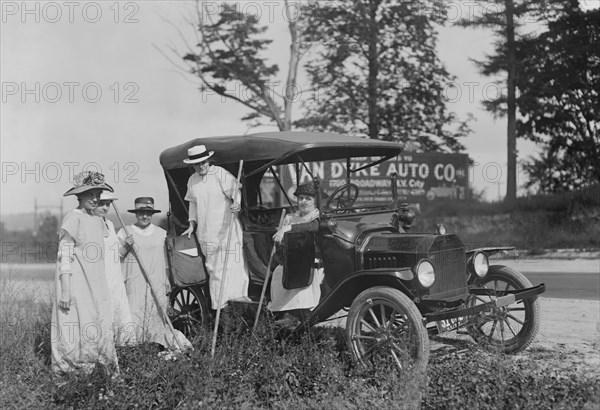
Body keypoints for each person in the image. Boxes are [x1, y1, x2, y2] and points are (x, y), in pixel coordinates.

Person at [51, 171, 118, 375]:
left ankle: (101, 370)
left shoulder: (97, 219)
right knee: (75, 323)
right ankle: (72, 373)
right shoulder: (73, 218)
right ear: (78, 196)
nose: (95, 198)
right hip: (76, 283)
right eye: (89, 194)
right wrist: (65, 290)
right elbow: (65, 255)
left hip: (96, 282)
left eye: (97, 193)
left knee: (99, 321)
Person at [182, 145, 250, 310]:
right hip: (206, 233)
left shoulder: (220, 173)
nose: (201, 166)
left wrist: (236, 204)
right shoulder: (192, 180)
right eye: (197, 164)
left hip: (227, 231)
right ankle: (220, 308)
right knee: (214, 270)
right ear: (192, 165)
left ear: (208, 160)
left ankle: (237, 304)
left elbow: (235, 192)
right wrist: (192, 224)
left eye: (203, 162)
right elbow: (193, 203)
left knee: (232, 269)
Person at [117, 197, 191, 350]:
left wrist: (167, 280)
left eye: (148, 213)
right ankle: (134, 349)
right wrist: (125, 246)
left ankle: (156, 346)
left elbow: (166, 260)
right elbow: (116, 257)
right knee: (134, 314)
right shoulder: (125, 232)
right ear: (136, 214)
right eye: (141, 213)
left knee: (156, 314)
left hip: (157, 280)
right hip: (134, 281)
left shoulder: (161, 233)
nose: (145, 216)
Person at [269, 182, 324, 322]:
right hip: (292, 261)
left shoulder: (317, 218)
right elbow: (280, 244)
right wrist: (281, 235)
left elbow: (311, 227)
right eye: (300, 198)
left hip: (312, 263)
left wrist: (287, 229)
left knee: (302, 278)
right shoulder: (290, 218)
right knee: (279, 272)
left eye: (308, 198)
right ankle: (284, 314)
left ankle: (299, 314)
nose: (303, 201)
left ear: (315, 201)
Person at [93, 191, 134, 346]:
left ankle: (121, 347)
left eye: (108, 204)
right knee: (103, 314)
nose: (105, 207)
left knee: (118, 310)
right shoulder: (89, 225)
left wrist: (126, 246)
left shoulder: (109, 224)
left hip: (115, 276)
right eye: (101, 203)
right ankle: (103, 348)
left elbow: (117, 255)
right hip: (100, 278)